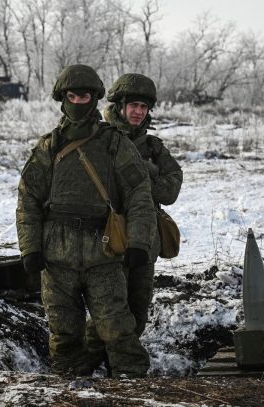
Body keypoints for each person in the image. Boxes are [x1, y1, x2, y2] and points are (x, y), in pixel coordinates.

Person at [16, 64, 156, 378]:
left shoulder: (114, 143)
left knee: (118, 331)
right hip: (57, 256)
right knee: (64, 334)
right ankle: (70, 386)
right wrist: (30, 249)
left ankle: (135, 390)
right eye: (72, 95)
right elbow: (28, 199)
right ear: (62, 98)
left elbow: (139, 194)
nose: (79, 102)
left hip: (104, 253)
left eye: (85, 96)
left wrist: (138, 242)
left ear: (95, 99)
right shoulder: (48, 147)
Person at [85, 73, 183, 374]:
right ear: (120, 105)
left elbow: (171, 188)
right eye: (133, 105)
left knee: (138, 312)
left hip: (146, 241)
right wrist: (144, 178)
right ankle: (83, 369)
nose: (138, 112)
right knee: (109, 313)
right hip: (109, 239)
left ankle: (115, 372)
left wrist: (139, 181)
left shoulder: (153, 147)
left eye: (144, 106)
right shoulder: (100, 139)